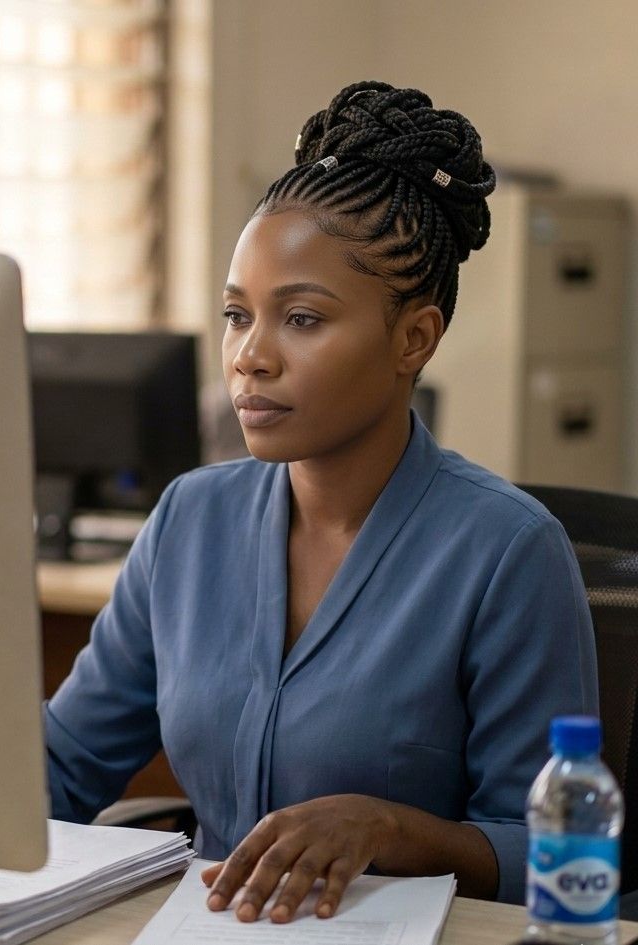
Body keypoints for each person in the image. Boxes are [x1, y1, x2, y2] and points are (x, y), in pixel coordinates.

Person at [44, 80, 598, 922]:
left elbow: (550, 850)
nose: (250, 357)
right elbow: (66, 765)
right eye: (238, 315)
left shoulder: (508, 550)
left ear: (414, 337)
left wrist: (388, 828)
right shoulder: (190, 520)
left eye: (301, 318)